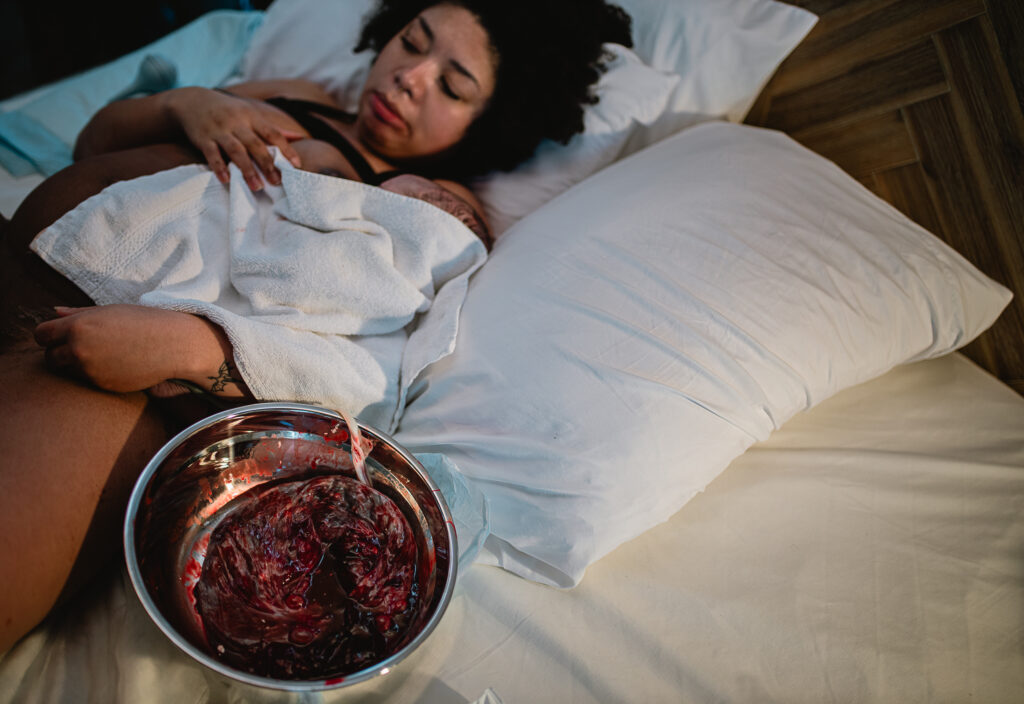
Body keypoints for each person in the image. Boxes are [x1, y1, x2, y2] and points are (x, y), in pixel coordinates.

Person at [0, 0, 633, 652]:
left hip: (93, 352)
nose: (410, 76)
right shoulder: (298, 98)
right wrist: (183, 106)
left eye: (451, 86)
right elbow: (93, 145)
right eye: (412, 41)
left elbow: (370, 364)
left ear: (494, 122)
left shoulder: (439, 205)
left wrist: (199, 346)